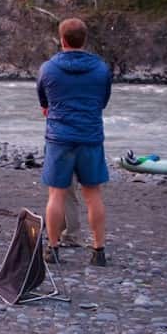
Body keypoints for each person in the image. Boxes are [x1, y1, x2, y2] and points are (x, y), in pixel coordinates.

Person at [37, 18, 112, 267]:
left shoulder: (48, 68)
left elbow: (44, 102)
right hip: (90, 136)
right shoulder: (101, 68)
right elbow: (103, 101)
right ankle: (98, 250)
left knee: (56, 194)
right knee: (93, 195)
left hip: (60, 137)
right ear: (84, 39)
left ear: (62, 40)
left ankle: (53, 247)